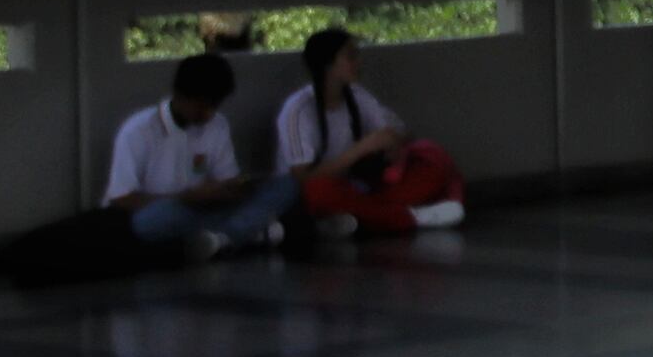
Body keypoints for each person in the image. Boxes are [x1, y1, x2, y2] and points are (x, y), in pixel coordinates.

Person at [278, 26, 467, 240]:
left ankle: (358, 219)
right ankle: (409, 217)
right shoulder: (298, 110)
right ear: (328, 64)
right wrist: (361, 149)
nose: (359, 62)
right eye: (351, 57)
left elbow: (400, 131)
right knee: (318, 191)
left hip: (362, 185)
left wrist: (393, 143)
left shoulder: (357, 95)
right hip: (324, 188)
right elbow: (303, 178)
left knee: (432, 163)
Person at [103, 51, 295, 259]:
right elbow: (121, 200)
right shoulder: (138, 130)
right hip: (164, 211)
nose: (208, 114)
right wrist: (185, 197)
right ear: (180, 95)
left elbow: (228, 180)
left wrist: (231, 189)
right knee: (153, 220)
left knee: (286, 185)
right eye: (201, 106)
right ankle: (246, 232)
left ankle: (220, 238)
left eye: (214, 106)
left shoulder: (217, 125)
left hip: (206, 208)